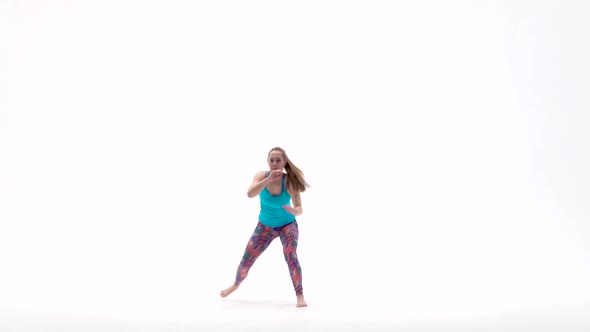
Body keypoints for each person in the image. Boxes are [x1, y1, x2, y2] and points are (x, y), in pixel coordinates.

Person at [220, 147, 310, 307]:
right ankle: (235, 285)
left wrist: (295, 211)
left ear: (284, 163)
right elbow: (250, 193)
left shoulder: (289, 181)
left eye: (278, 160)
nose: (275, 163)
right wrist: (268, 180)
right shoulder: (261, 176)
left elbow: (299, 207)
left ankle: (300, 295)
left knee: (291, 256)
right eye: (272, 160)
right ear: (268, 161)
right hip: (265, 227)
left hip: (287, 225)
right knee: (246, 259)